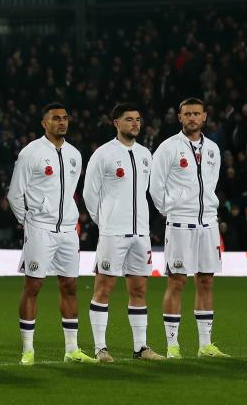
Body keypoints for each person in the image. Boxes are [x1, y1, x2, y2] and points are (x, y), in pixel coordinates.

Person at [6, 102, 95, 366]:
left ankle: (72, 349)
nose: (62, 122)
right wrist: (30, 221)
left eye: (65, 118)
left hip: (68, 230)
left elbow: (70, 193)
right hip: (40, 229)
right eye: (56, 118)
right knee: (33, 286)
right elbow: (14, 194)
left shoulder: (74, 155)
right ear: (44, 124)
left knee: (70, 286)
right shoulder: (30, 153)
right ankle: (28, 349)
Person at [83, 103, 164, 363]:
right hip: (112, 233)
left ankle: (140, 348)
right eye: (129, 119)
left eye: (138, 119)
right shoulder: (103, 154)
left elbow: (147, 192)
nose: (135, 124)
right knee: (104, 288)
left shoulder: (145, 154)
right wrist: (104, 222)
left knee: (139, 289)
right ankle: (100, 348)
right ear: (116, 123)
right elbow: (89, 194)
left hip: (140, 233)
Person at [150, 97, 230, 359]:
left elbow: (212, 183)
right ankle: (173, 345)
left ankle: (205, 345)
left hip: (208, 222)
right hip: (180, 224)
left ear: (204, 117)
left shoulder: (213, 149)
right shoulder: (168, 148)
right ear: (180, 117)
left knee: (206, 280)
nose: (193, 118)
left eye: (197, 113)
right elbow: (155, 187)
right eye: (188, 114)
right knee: (177, 281)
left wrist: (207, 208)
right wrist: (172, 209)